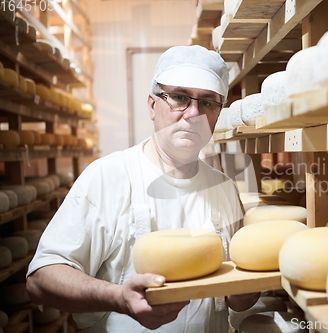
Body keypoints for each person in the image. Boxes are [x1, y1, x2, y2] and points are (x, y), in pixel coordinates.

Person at [26, 45, 260, 332]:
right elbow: (40, 280)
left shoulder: (224, 187)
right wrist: (118, 297)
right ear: (152, 105)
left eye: (208, 102)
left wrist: (246, 292)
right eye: (179, 97)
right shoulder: (108, 176)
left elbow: (235, 299)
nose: (193, 113)